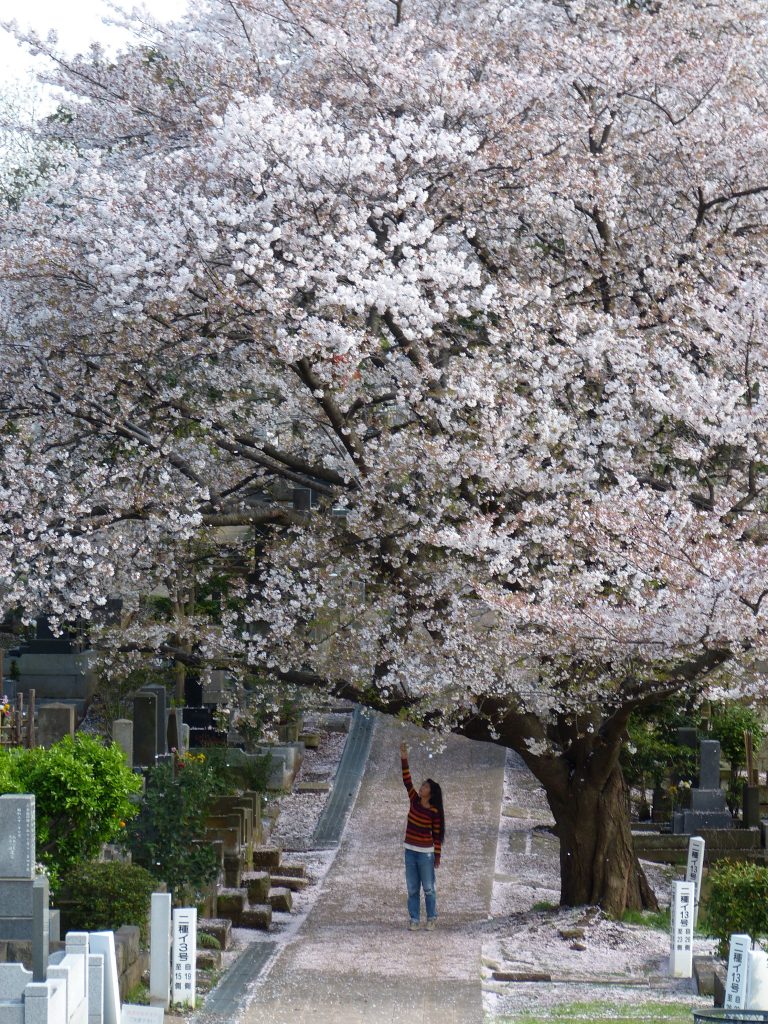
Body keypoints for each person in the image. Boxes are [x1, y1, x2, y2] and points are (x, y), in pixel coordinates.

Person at [399, 740, 445, 931]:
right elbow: (407, 780)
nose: (421, 788)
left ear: (431, 792)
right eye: (422, 785)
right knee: (412, 888)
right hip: (410, 850)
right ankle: (414, 918)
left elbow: (437, 834)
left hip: (425, 853)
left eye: (425, 787)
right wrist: (404, 758)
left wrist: (437, 856)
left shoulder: (433, 811)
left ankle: (432, 917)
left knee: (428, 887)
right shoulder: (414, 801)